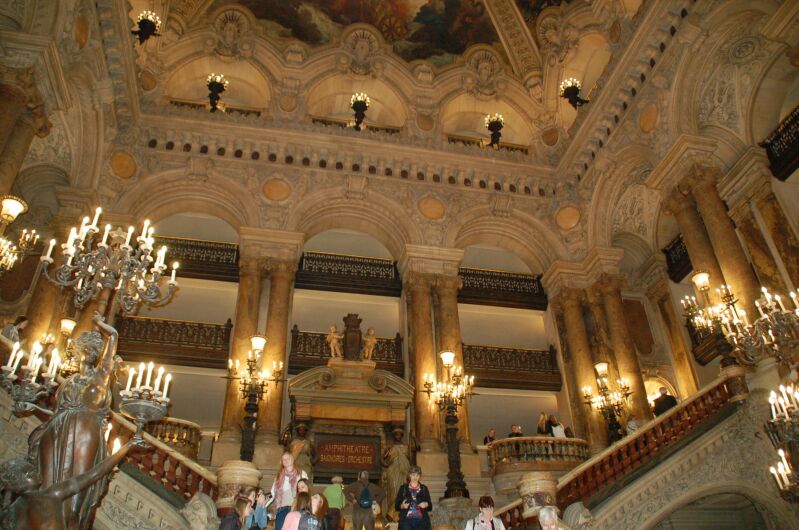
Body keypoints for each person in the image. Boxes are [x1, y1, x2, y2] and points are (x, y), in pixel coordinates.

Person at [25, 312, 118, 530]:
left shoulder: (101, 375)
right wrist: (33, 407)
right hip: (57, 428)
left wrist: (100, 324)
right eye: (85, 348)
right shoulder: (68, 381)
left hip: (86, 430)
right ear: (78, 352)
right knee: (47, 488)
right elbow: (55, 412)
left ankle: (73, 524)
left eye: (94, 349)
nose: (89, 352)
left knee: (79, 490)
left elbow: (113, 336)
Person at [0, 436, 145, 530]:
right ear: (17, 482)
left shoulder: (11, 511)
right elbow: (94, 474)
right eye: (29, 473)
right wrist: (126, 447)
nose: (35, 473)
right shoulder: (51, 494)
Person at [271, 452, 309, 530]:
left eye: (288, 458)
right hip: (282, 509)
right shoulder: (278, 476)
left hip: (297, 507)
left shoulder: (301, 473)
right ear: (282, 462)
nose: (286, 460)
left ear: (292, 459)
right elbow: (273, 493)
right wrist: (263, 505)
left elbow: (306, 490)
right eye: (283, 459)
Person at [382, 427, 410, 521]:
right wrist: (386, 463)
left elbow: (410, 458)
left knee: (403, 491)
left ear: (401, 436)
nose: (397, 436)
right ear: (394, 436)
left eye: (399, 434)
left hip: (404, 471)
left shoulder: (406, 447)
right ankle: (391, 514)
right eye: (396, 434)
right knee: (393, 490)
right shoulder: (390, 447)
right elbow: (383, 459)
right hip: (393, 470)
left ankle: (398, 515)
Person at [395, 465, 432, 530]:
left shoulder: (424, 489)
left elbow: (430, 506)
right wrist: (402, 506)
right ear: (409, 475)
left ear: (420, 476)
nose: (415, 477)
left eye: (417, 475)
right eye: (413, 475)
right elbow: (396, 506)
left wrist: (426, 504)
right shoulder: (403, 488)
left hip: (421, 521)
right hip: (406, 521)